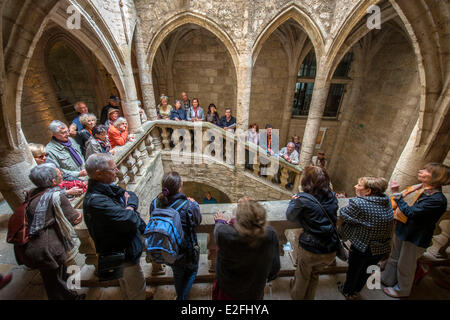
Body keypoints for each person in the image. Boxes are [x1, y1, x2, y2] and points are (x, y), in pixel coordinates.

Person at [14, 164, 84, 300]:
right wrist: (77, 214)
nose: (61, 175)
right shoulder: (56, 196)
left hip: (31, 245)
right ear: (53, 181)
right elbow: (74, 218)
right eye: (58, 174)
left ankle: (70, 296)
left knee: (51, 280)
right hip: (48, 248)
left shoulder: (33, 192)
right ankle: (72, 298)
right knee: (56, 281)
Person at [83, 153, 147, 300]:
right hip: (122, 252)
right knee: (136, 286)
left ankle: (130, 295)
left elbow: (130, 195)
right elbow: (130, 219)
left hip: (122, 251)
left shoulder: (106, 188)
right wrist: (130, 209)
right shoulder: (96, 202)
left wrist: (129, 205)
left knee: (126, 282)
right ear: (99, 174)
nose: (117, 171)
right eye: (113, 169)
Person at [382, 163, 449, 298]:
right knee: (394, 257)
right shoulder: (419, 188)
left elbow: (411, 212)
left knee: (406, 264)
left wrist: (396, 194)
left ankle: (402, 289)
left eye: (426, 171)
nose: (421, 171)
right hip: (403, 229)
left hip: (415, 236)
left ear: (436, 177)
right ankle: (387, 279)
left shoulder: (437, 199)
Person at [285, 165, 338, 300]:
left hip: (311, 249)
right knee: (314, 275)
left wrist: (294, 200)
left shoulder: (303, 199)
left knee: (302, 276)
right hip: (330, 248)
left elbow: (290, 216)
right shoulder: (332, 196)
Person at [212, 197, 280, 300]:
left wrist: (220, 221)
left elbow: (218, 229)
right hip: (254, 291)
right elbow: (274, 269)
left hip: (228, 289)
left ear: (237, 220)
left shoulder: (225, 234)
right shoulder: (270, 235)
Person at [338, 177, 394, 299]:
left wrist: (356, 221)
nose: (355, 187)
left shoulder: (359, 203)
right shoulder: (386, 200)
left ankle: (347, 291)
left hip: (363, 245)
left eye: (359, 185)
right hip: (381, 246)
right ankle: (357, 290)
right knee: (367, 271)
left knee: (354, 270)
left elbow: (343, 213)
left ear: (368, 191)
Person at [149, 171, 201, 300]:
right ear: (180, 186)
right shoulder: (188, 206)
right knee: (192, 271)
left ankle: (179, 295)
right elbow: (197, 220)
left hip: (167, 247)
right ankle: (181, 298)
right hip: (186, 249)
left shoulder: (155, 203)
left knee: (177, 273)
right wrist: (194, 204)